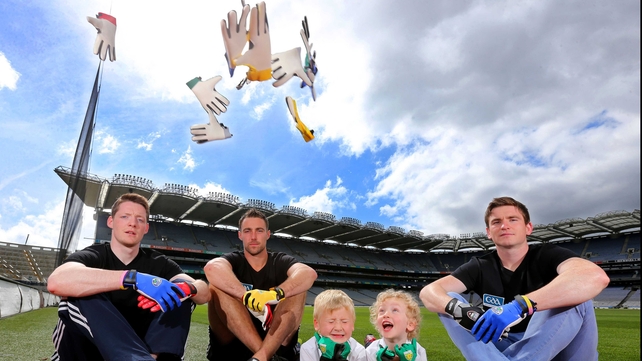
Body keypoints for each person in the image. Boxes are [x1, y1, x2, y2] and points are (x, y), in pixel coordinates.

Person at [420, 196, 610, 361]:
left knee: (577, 294)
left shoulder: (547, 254)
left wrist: (521, 306)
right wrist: (461, 311)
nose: (504, 225)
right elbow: (429, 293)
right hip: (501, 342)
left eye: (513, 219)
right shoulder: (480, 266)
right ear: (488, 232)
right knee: (448, 302)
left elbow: (595, 276)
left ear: (528, 228)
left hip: (558, 345)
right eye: (496, 222)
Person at [47, 193, 210, 360]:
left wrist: (187, 288)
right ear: (111, 222)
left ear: (146, 228)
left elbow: (204, 292)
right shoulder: (94, 255)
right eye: (125, 216)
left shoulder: (159, 262)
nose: (132, 223)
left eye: (140, 219)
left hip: (146, 352)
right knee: (79, 291)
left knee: (182, 294)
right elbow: (56, 282)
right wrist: (132, 279)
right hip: (86, 353)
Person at [204, 208, 318, 361]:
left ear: (267, 234)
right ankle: (266, 356)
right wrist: (246, 296)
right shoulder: (234, 259)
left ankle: (262, 356)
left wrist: (275, 294)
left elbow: (308, 273)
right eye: (247, 231)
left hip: (277, 341)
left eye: (259, 230)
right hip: (232, 345)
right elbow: (211, 268)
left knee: (298, 288)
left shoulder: (279, 260)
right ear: (240, 235)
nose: (253, 236)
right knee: (217, 286)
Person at [300, 289, 367, 361]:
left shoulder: (358, 351)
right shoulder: (308, 348)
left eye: (344, 322)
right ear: (317, 324)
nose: (338, 328)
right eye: (331, 321)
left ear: (352, 324)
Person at [366, 289, 427, 361]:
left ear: (410, 324)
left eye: (395, 310)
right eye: (382, 310)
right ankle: (369, 342)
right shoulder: (371, 351)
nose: (385, 315)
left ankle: (369, 340)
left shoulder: (419, 352)